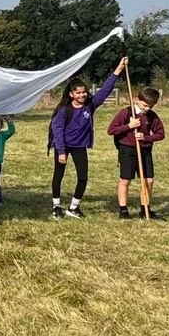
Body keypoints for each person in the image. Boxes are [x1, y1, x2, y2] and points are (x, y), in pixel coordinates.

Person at [48, 57, 127, 218]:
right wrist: (61, 151)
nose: (82, 95)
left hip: (80, 146)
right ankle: (56, 206)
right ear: (71, 94)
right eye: (78, 93)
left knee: (83, 177)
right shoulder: (64, 110)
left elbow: (105, 90)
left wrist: (118, 69)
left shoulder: (90, 105)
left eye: (84, 92)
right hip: (62, 146)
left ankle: (73, 207)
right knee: (58, 176)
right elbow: (57, 130)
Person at [109, 86, 167, 219]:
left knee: (149, 180)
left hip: (145, 149)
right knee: (125, 180)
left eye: (150, 106)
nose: (146, 109)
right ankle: (123, 210)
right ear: (136, 100)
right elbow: (111, 130)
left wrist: (145, 137)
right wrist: (129, 126)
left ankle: (145, 208)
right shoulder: (126, 113)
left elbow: (160, 134)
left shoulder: (151, 116)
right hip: (127, 149)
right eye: (145, 105)